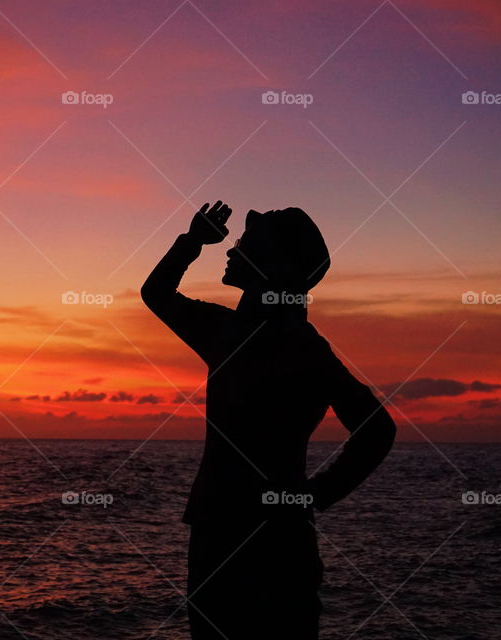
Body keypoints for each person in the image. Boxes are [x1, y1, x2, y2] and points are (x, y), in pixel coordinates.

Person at [141, 201, 396, 639]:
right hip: (269, 538)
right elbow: (376, 429)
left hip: (231, 538)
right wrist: (313, 495)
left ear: (273, 265)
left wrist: (192, 243)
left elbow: (156, 293)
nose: (232, 250)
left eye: (245, 244)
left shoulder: (239, 335)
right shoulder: (297, 344)